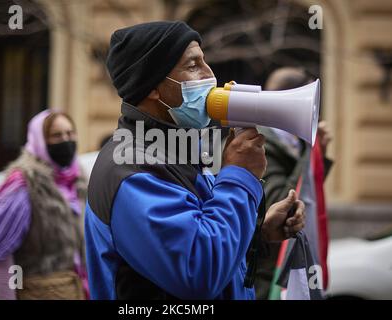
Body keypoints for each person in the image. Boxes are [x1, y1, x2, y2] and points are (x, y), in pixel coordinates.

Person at [85, 21, 306, 300]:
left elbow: (201, 235)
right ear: (152, 86)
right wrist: (239, 175)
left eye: (205, 62)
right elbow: (198, 272)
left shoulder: (175, 152)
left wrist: (255, 233)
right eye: (193, 65)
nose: (209, 75)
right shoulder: (131, 169)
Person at [0, 110, 88, 300]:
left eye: (70, 133)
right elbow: (3, 254)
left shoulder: (77, 180)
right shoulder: (24, 184)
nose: (66, 140)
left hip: (75, 290)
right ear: (39, 140)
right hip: (36, 292)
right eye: (56, 135)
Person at [255, 67, 333, 299]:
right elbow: (283, 200)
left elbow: (306, 194)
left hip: (282, 264)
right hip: (266, 275)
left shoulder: (291, 140)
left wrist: (316, 156)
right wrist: (312, 151)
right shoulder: (261, 143)